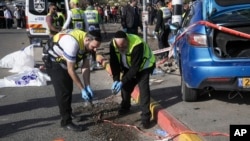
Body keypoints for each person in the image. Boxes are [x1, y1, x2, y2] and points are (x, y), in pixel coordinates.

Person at [44, 29, 102, 131]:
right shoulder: (72, 44)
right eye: (94, 47)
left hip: (64, 61)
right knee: (63, 91)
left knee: (69, 88)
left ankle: (69, 113)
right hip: (53, 61)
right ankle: (66, 122)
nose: (95, 50)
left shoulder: (87, 43)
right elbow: (71, 70)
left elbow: (85, 66)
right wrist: (82, 89)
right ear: (87, 40)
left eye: (97, 48)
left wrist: (87, 85)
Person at [109, 30, 156, 129]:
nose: (121, 48)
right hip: (129, 66)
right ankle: (125, 107)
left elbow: (135, 68)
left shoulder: (137, 43)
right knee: (125, 88)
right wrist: (116, 79)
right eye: (119, 47)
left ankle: (145, 118)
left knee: (143, 91)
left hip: (144, 67)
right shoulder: (113, 44)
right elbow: (114, 63)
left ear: (127, 40)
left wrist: (122, 81)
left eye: (123, 46)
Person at [84, 0, 107, 71]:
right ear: (92, 5)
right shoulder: (96, 12)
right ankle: (94, 64)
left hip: (87, 32)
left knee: (88, 48)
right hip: (96, 32)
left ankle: (87, 64)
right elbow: (101, 23)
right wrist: (104, 31)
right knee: (94, 49)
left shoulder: (84, 12)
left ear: (87, 5)